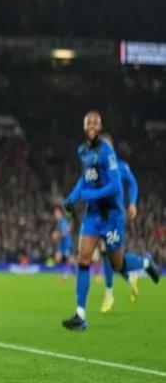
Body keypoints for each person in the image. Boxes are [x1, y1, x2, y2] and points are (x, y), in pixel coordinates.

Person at [61, 111, 160, 331]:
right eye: (88, 123)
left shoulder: (108, 153)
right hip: (93, 215)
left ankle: (145, 263)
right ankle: (80, 315)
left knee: (118, 264)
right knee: (83, 258)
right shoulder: (82, 151)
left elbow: (116, 186)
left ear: (100, 126)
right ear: (84, 126)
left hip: (112, 216)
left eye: (95, 123)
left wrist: (92, 195)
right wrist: (72, 197)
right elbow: (84, 179)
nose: (92, 126)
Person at [99, 133, 139, 313]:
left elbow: (133, 184)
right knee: (112, 258)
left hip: (115, 217)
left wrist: (132, 203)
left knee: (107, 252)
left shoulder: (121, 167)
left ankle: (109, 293)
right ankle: (131, 276)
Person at [52, 206, 75, 281]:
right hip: (62, 244)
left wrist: (57, 235)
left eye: (56, 213)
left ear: (60, 213)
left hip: (67, 243)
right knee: (58, 258)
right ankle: (65, 273)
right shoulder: (59, 222)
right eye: (54, 213)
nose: (55, 215)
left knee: (70, 260)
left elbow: (65, 233)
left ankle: (74, 274)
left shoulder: (63, 221)